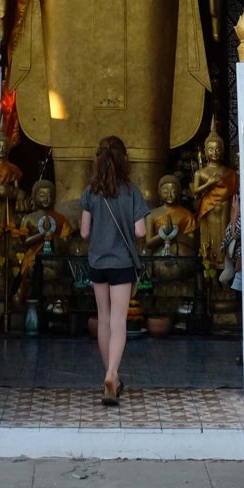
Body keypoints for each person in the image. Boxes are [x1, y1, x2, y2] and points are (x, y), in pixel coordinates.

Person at [79, 133, 147, 404]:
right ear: (123, 161)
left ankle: (111, 378)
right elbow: (140, 231)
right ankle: (112, 373)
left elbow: (84, 232)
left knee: (103, 318)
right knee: (119, 320)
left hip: (97, 263)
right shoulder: (132, 192)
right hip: (122, 264)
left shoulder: (89, 192)